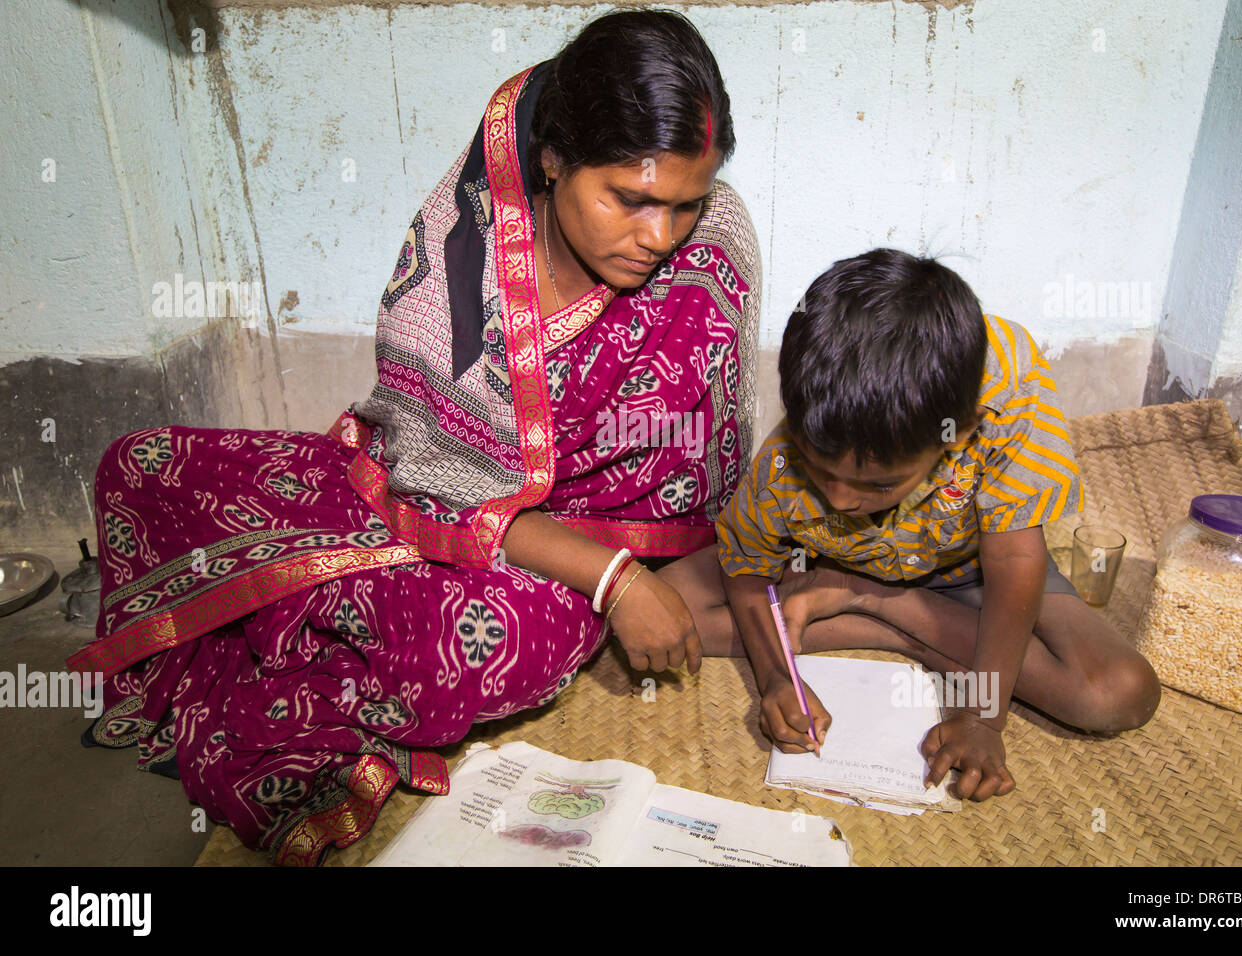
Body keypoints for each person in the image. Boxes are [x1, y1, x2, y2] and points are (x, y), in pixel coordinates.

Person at [69, 9, 761, 865]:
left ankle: (281, 632)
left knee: (487, 650)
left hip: (555, 561)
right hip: (418, 497)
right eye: (629, 200)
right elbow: (428, 477)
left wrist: (622, 570)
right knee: (140, 465)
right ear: (554, 159)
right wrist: (617, 585)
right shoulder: (459, 258)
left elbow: (699, 476)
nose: (660, 237)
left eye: (683, 205)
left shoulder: (713, 246)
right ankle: (270, 625)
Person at [666, 249, 1161, 803]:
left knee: (1119, 693)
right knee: (665, 611)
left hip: (971, 568)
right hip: (827, 556)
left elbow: (1016, 560)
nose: (841, 499)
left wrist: (981, 716)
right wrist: (777, 675)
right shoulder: (783, 467)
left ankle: (875, 605)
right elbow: (746, 569)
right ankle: (892, 623)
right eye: (821, 470)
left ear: (959, 432)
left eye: (879, 485)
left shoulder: (1009, 393)